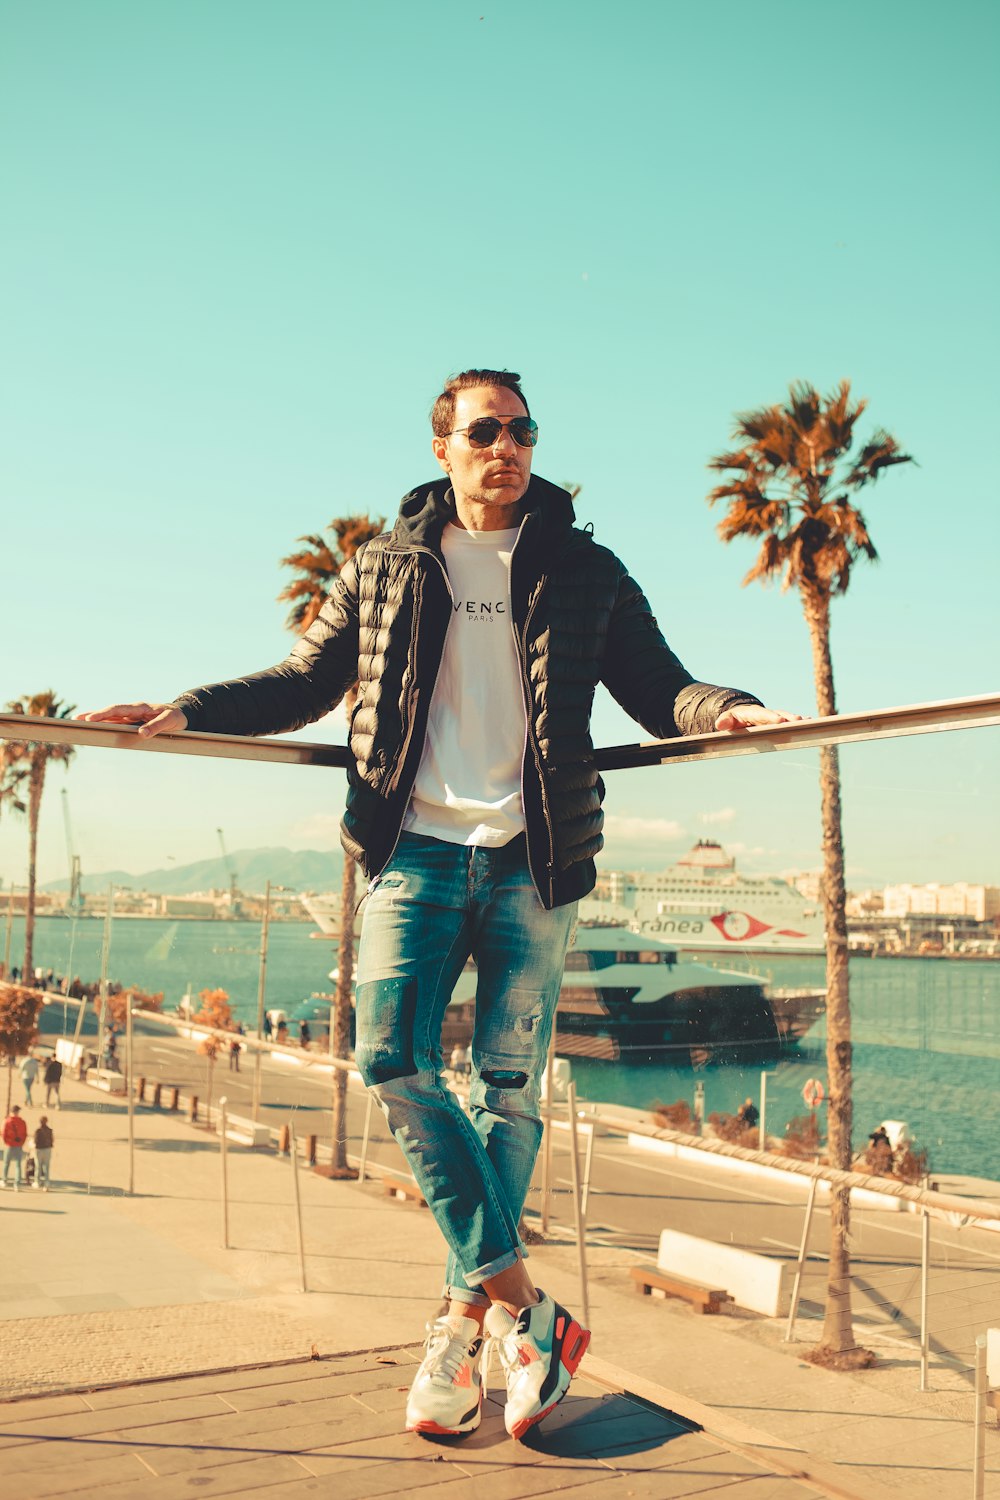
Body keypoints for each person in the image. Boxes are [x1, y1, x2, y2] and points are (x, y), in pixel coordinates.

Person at [79, 367, 799, 1441]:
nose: (506, 446)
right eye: (483, 431)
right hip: (412, 851)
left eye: (522, 430)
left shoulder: (584, 567)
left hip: (534, 859)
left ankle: (462, 1341)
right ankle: (527, 1310)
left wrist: (729, 710)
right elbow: (304, 681)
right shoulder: (383, 569)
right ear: (442, 448)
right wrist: (188, 709)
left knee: (507, 1093)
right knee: (387, 1055)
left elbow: (659, 686)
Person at [2, 1105, 28, 1190]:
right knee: (18, 1165)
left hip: (9, 1145)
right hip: (18, 1145)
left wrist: (6, 1142)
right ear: (17, 1112)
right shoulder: (22, 1122)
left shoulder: (7, 1121)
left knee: (6, 1163)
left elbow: (3, 1134)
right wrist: (21, 1142)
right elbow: (25, 1134)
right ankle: (17, 1183)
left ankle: (4, 1180)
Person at [33, 1116, 53, 1190]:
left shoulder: (38, 1131)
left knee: (38, 1166)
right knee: (46, 1167)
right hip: (47, 1149)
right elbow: (52, 1140)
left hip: (39, 1150)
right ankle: (47, 1182)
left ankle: (37, 1181)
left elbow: (35, 1141)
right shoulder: (50, 1130)